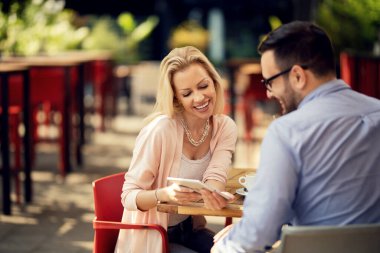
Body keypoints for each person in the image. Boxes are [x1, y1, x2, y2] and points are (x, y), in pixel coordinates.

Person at [211, 21, 380, 253]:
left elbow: (256, 236)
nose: (268, 93)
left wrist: (223, 247)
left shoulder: (287, 132)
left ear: (298, 76)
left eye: (269, 82)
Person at [114, 46, 238, 253]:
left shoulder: (224, 127)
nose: (199, 98)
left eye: (203, 86)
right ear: (175, 98)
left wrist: (213, 193)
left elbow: (216, 174)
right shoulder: (160, 130)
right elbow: (128, 197)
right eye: (187, 93)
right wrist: (165, 194)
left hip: (190, 229)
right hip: (152, 233)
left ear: (215, 83)